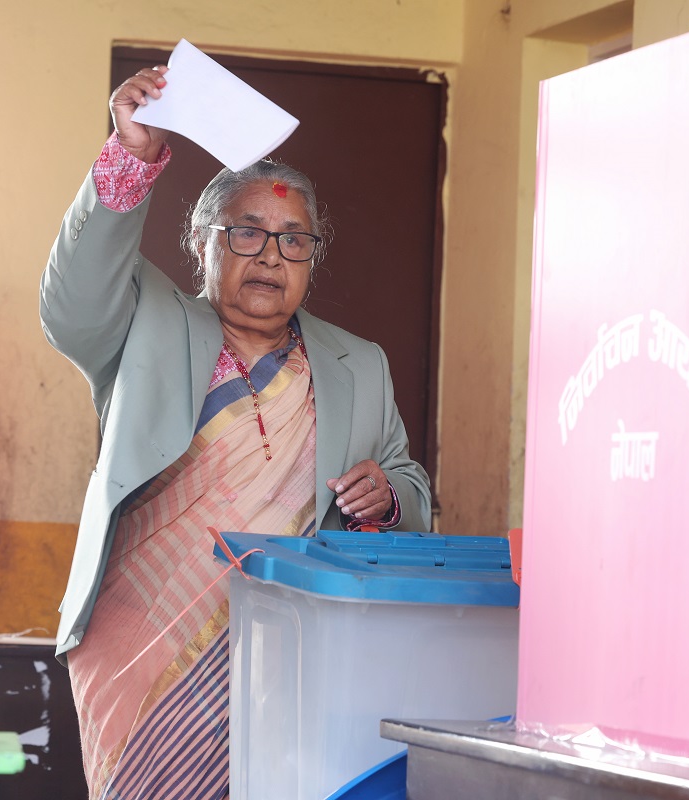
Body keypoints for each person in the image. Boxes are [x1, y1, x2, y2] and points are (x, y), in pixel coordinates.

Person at [40, 65, 433, 799]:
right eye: (247, 232)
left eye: (293, 240)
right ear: (202, 241)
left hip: (295, 652)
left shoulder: (359, 364)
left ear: (313, 258)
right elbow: (72, 303)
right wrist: (131, 155)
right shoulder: (146, 322)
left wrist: (388, 498)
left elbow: (408, 485)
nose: (270, 256)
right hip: (143, 648)